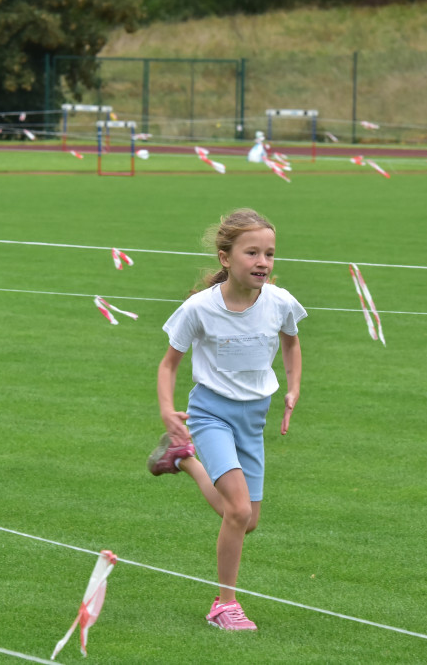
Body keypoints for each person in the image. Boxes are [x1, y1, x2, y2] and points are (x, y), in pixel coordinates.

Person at [149, 209, 305, 631]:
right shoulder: (199, 309)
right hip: (211, 412)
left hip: (254, 417)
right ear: (225, 257)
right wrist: (168, 409)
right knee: (237, 511)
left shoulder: (280, 301)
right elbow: (168, 365)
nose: (263, 262)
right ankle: (224, 604)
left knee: (246, 520)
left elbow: (291, 345)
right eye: (252, 252)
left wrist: (292, 388)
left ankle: (183, 459)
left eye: (269, 254)